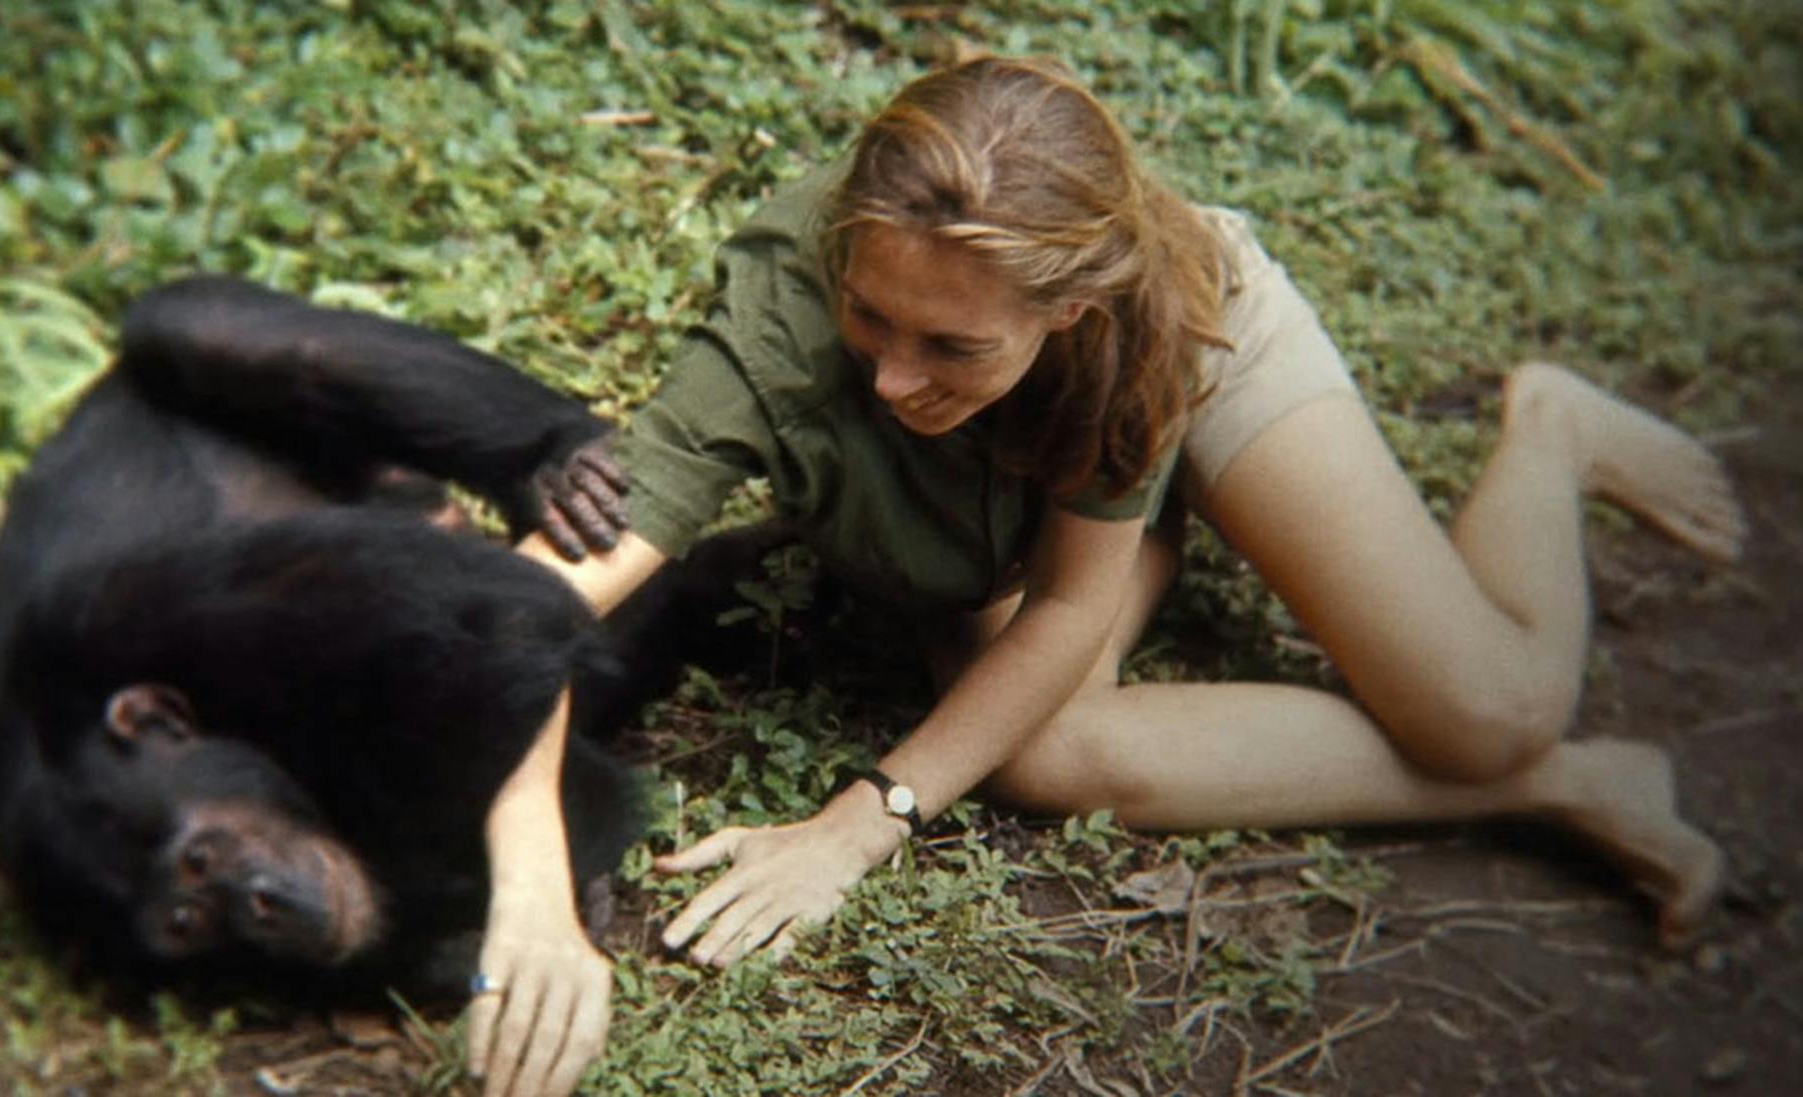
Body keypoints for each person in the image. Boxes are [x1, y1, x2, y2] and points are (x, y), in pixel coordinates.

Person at [465, 54, 1745, 1097]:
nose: (894, 377)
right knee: (1045, 753)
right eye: (872, 318)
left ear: (1066, 310)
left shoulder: (1145, 319)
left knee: (1492, 706)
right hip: (1029, 493)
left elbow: (1076, 599)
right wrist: (529, 898)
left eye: (946, 343)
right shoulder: (788, 319)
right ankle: (1566, 783)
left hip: (1196, 382)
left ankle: (1553, 432)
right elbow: (524, 614)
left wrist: (855, 828)